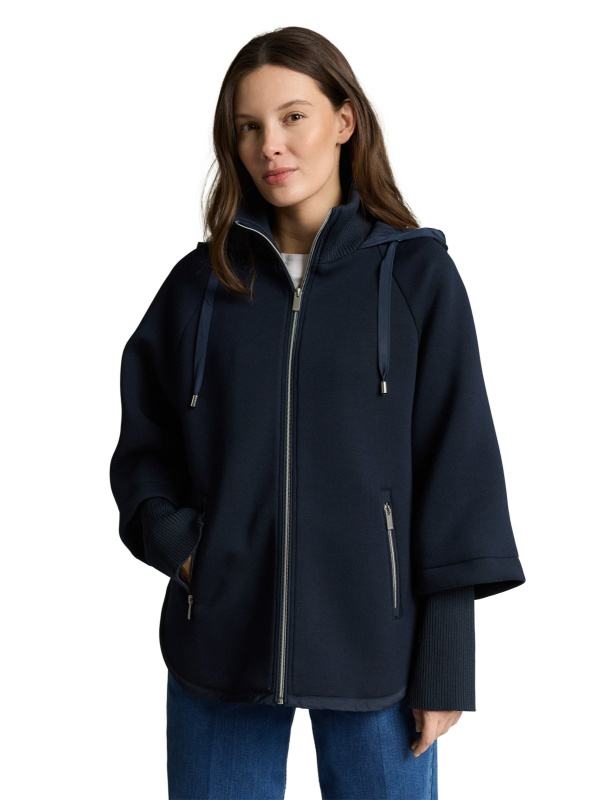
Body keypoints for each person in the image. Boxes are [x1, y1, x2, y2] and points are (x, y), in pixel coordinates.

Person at [109, 25, 526, 800]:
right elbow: (145, 438)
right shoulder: (199, 285)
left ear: (343, 120)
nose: (270, 144)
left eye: (292, 116)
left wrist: (445, 663)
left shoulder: (417, 278)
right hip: (219, 645)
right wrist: (183, 548)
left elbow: (457, 470)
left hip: (377, 648)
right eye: (248, 126)